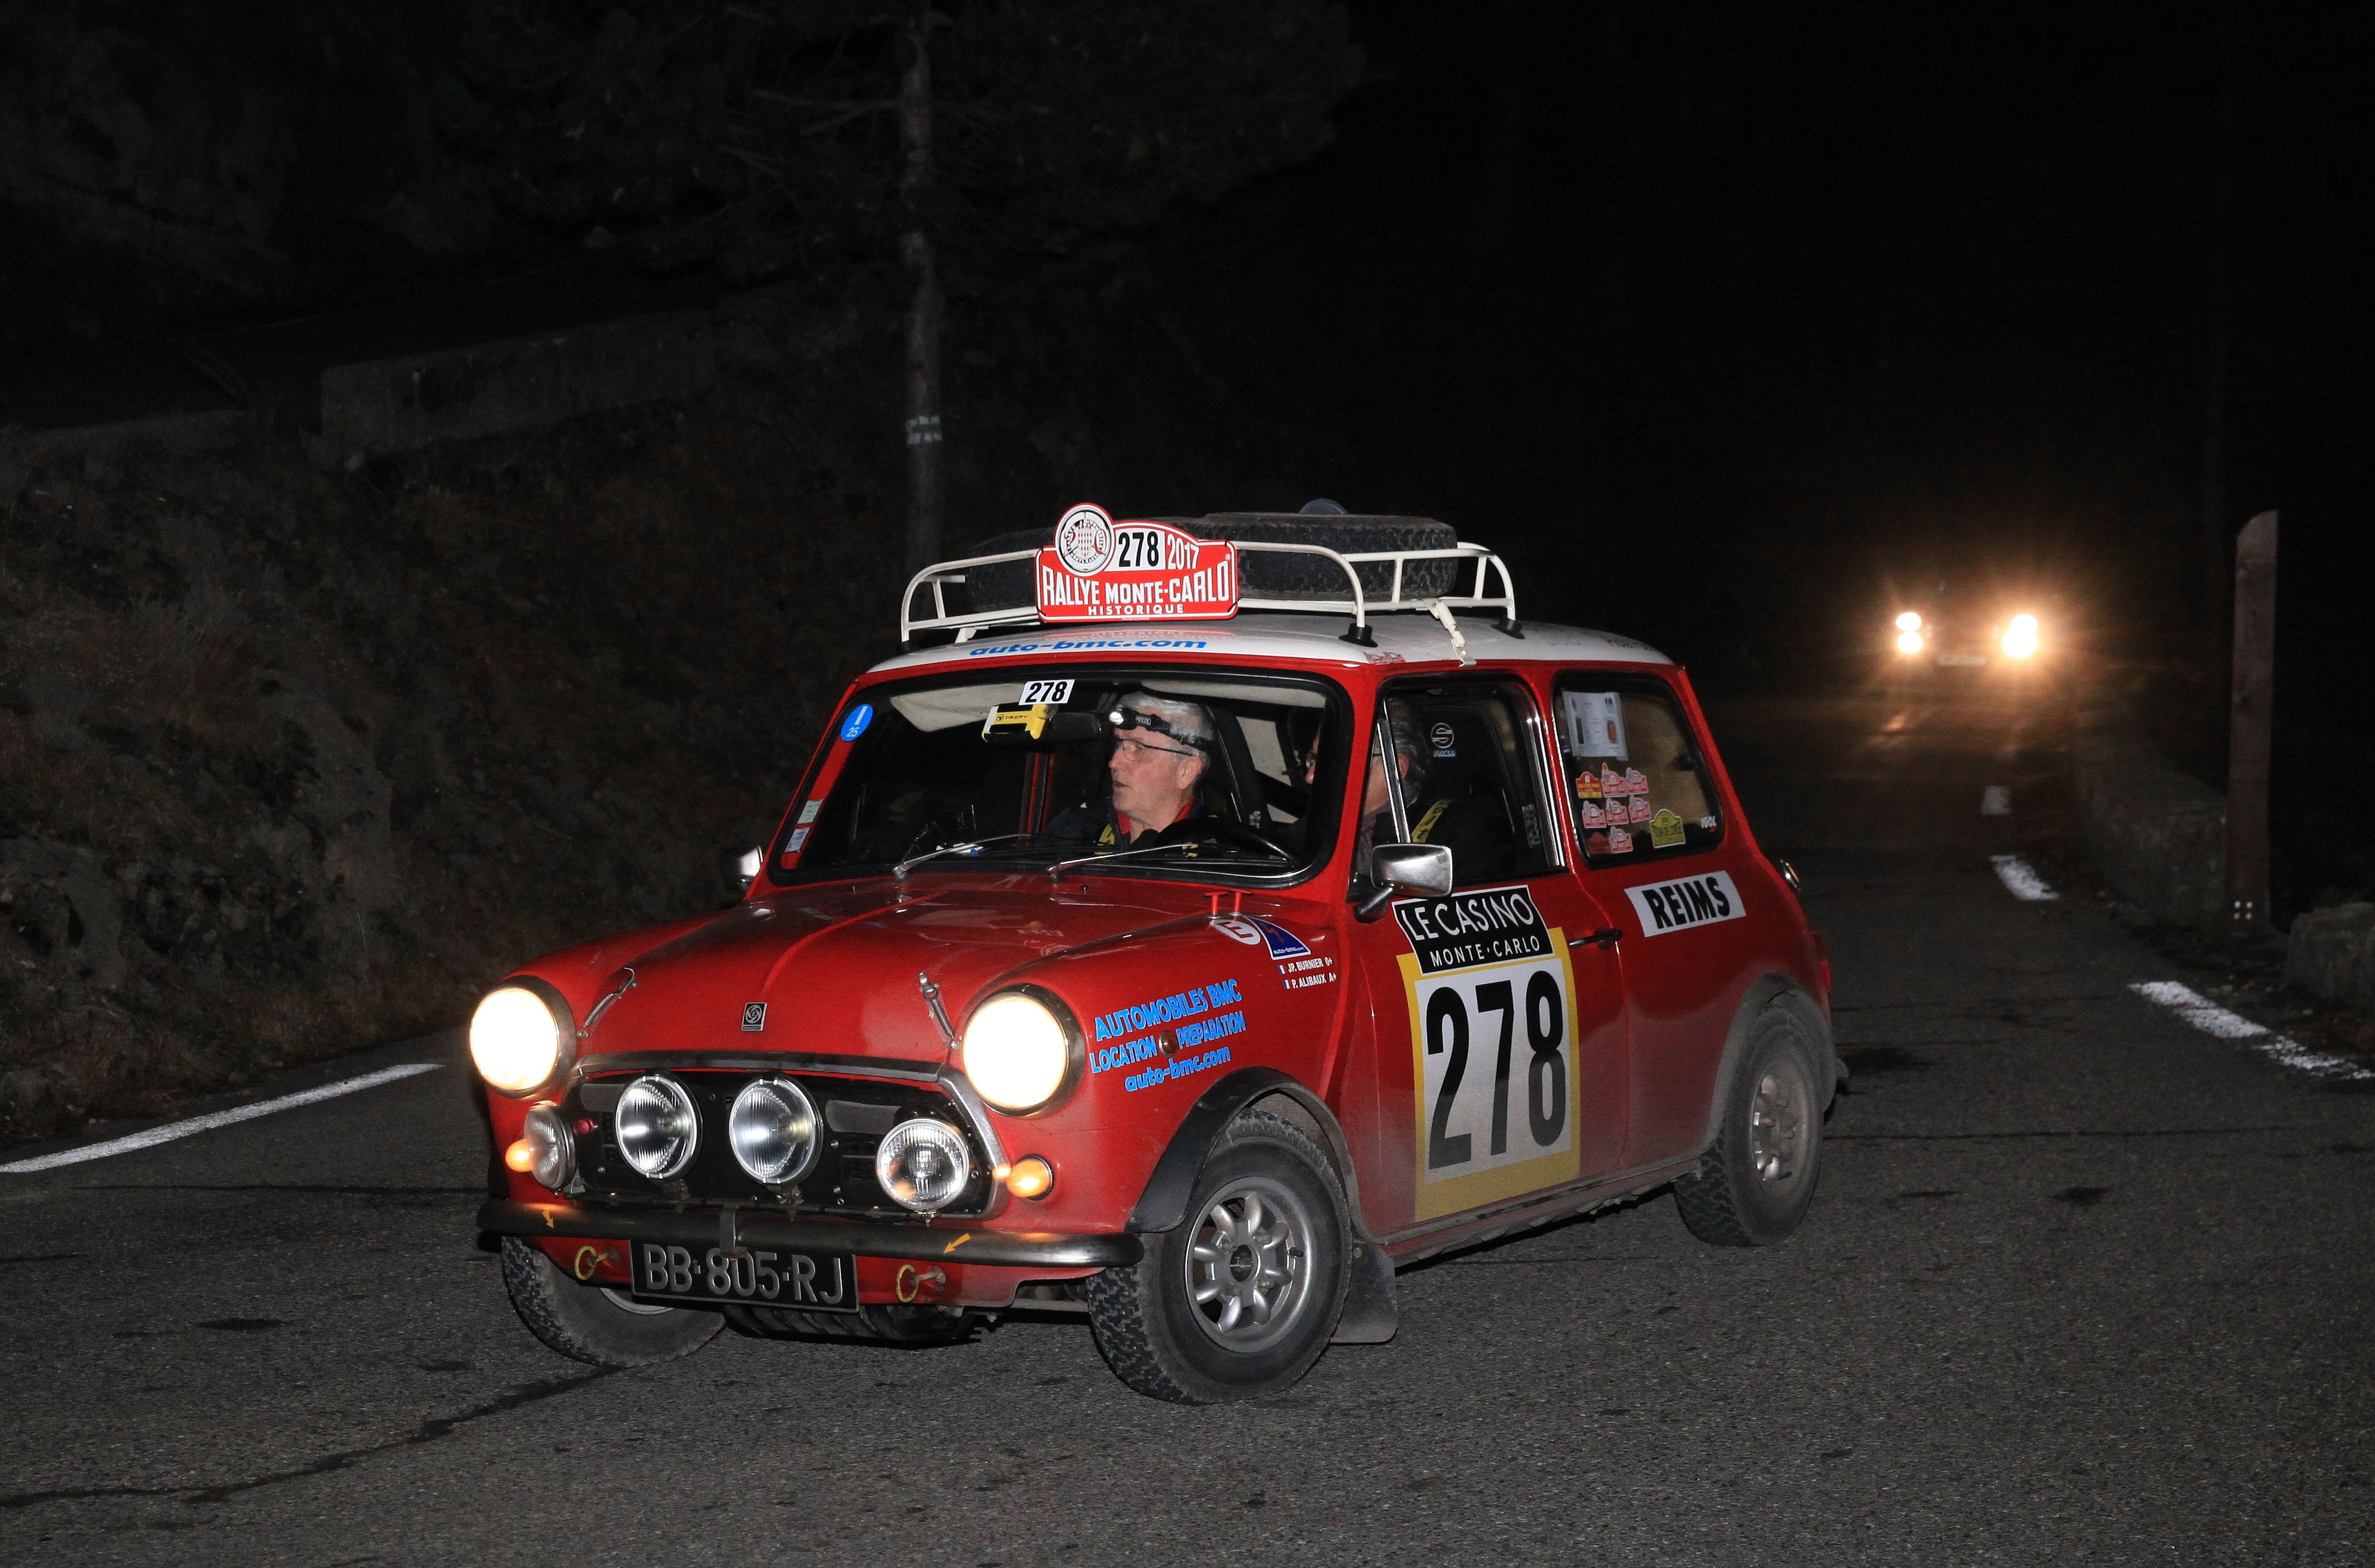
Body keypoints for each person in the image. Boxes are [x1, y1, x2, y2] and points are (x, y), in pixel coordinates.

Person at [1052, 693, 1221, 852]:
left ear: (1186, 771)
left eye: (1138, 749)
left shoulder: (1219, 853)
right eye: (1119, 744)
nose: (1114, 763)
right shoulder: (1073, 834)